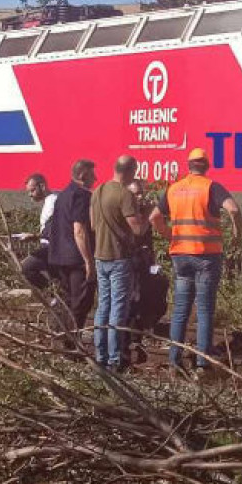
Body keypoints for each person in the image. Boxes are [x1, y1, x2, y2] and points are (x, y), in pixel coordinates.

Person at [152, 148, 242, 375]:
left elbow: (154, 216)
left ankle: (174, 361)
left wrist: (169, 235)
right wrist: (237, 233)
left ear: (189, 165)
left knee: (180, 309)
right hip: (205, 255)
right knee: (204, 310)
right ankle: (202, 363)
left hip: (180, 256)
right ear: (207, 165)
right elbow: (233, 209)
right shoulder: (211, 187)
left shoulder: (173, 189)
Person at [90, 155, 146, 371]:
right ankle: (114, 359)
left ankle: (100, 354)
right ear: (130, 171)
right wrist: (148, 214)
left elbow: (93, 225)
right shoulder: (125, 195)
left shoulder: (98, 191)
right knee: (118, 310)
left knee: (102, 306)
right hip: (118, 259)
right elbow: (138, 229)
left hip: (99, 256)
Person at [48, 159, 97, 353]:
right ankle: (72, 345)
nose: (95, 178)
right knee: (80, 302)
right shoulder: (81, 196)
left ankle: (62, 339)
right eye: (93, 174)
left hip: (58, 257)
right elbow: (79, 230)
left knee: (67, 300)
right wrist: (88, 262)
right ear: (83, 175)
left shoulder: (62, 195)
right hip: (76, 258)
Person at [125, 179, 169, 364]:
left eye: (141, 192)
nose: (140, 196)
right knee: (133, 300)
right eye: (135, 193)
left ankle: (145, 329)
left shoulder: (144, 210)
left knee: (158, 290)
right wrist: (149, 214)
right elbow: (137, 231)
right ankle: (131, 340)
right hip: (129, 262)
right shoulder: (127, 211)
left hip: (145, 260)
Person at [18, 174, 57, 293]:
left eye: (32, 190)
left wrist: (34, 236)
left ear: (42, 186)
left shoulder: (53, 201)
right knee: (57, 278)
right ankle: (57, 298)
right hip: (48, 247)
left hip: (52, 248)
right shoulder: (50, 200)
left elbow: (53, 229)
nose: (30, 194)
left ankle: (52, 295)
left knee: (25, 267)